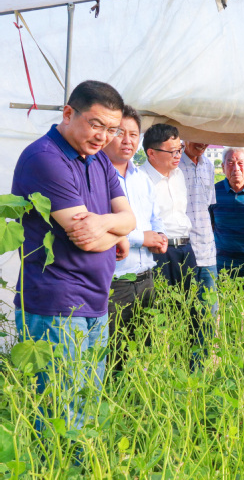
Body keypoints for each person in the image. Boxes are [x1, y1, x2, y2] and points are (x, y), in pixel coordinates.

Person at [12, 80, 136, 428]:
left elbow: (130, 218)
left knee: (87, 406)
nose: (104, 137)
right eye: (96, 124)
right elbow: (86, 240)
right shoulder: (45, 159)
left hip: (95, 301)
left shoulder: (98, 160)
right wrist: (119, 233)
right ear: (68, 113)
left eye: (112, 129)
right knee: (60, 415)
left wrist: (110, 224)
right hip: (56, 305)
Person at [103, 105, 167, 374]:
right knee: (114, 354)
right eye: (120, 133)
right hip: (116, 281)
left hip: (146, 278)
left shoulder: (142, 178)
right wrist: (143, 238)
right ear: (108, 134)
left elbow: (155, 218)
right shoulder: (96, 176)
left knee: (143, 352)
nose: (127, 140)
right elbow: (100, 226)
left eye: (133, 134)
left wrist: (160, 237)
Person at [142, 124, 195, 292]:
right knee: (162, 302)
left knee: (189, 304)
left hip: (185, 248)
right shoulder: (140, 179)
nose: (178, 155)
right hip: (159, 252)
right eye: (172, 151)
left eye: (180, 149)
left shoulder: (179, 174)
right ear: (151, 153)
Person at [209, 147, 244, 277]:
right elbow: (210, 226)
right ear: (223, 167)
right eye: (230, 163)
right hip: (221, 266)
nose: (236, 168)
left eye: (240, 163)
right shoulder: (213, 192)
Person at [179, 142, 217, 305]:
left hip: (208, 253)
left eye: (206, 138)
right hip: (182, 250)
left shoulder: (208, 165)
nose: (202, 143)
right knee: (183, 309)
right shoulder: (173, 164)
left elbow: (209, 206)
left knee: (209, 311)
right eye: (197, 137)